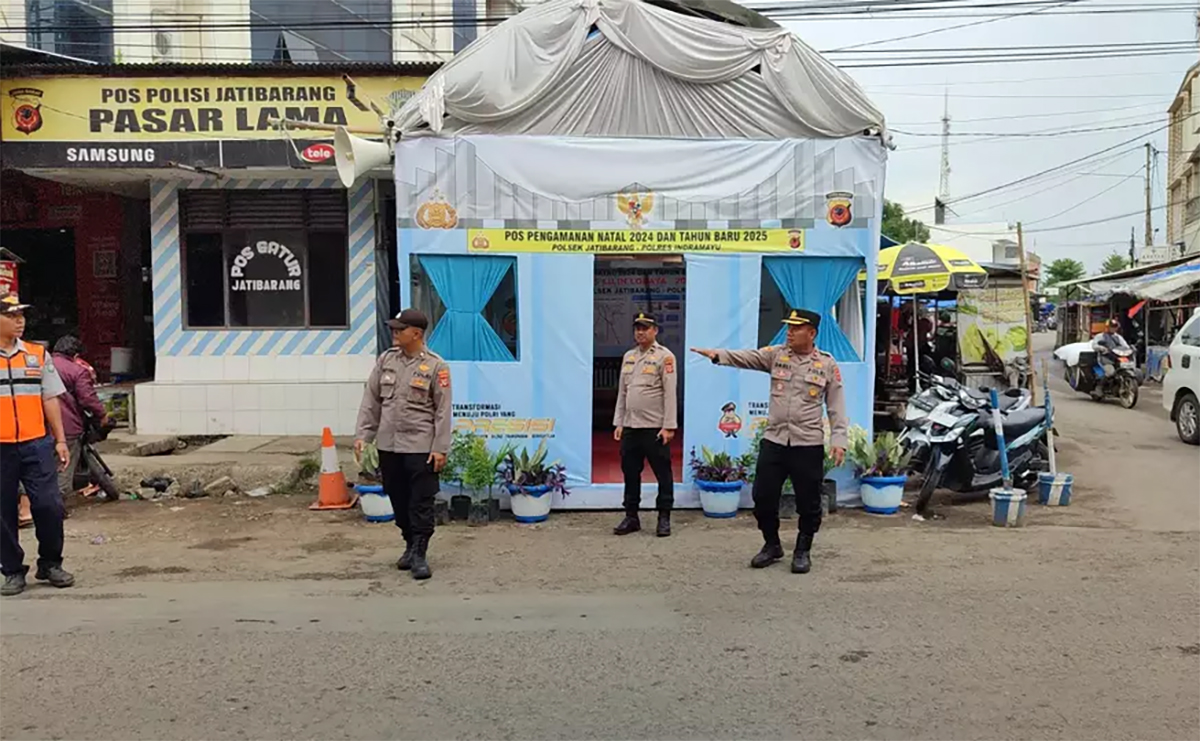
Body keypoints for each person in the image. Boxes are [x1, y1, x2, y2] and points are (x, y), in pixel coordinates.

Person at [691, 308, 847, 574]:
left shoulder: (828, 364)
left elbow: (836, 404)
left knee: (808, 503)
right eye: (789, 327)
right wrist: (719, 355)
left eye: (796, 328)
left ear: (811, 333)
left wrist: (839, 438)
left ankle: (802, 550)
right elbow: (749, 358)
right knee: (762, 497)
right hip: (774, 441)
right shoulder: (777, 355)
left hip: (807, 444)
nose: (790, 332)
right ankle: (772, 545)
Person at [354, 309, 451, 581]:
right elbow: (371, 400)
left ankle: (420, 553)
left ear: (416, 334)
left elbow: (443, 411)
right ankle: (409, 542)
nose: (394, 333)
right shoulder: (386, 360)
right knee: (398, 497)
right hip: (389, 445)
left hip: (421, 445)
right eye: (394, 329)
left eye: (400, 329)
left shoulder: (436, 366)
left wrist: (440, 448)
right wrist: (363, 435)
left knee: (421, 501)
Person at [0, 293, 74, 596]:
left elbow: (49, 398)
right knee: (2, 512)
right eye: (12, 315)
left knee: (49, 505)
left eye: (22, 315)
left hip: (36, 443)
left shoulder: (37, 355)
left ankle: (50, 563)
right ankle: (13, 570)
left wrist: (59, 440)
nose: (20, 321)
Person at [612, 312, 678, 538]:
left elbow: (670, 394)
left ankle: (664, 517)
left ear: (655, 330)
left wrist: (669, 426)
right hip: (631, 426)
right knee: (630, 472)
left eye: (645, 328)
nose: (640, 332)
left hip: (654, 427)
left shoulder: (665, 357)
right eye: (637, 328)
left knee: (663, 473)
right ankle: (631, 516)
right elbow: (623, 392)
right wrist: (619, 422)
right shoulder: (629, 356)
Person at [51, 335, 111, 506]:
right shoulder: (77, 370)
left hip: (38, 427)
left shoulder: (41, 366)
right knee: (64, 467)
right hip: (68, 427)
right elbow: (87, 399)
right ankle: (57, 509)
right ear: (76, 356)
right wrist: (102, 415)